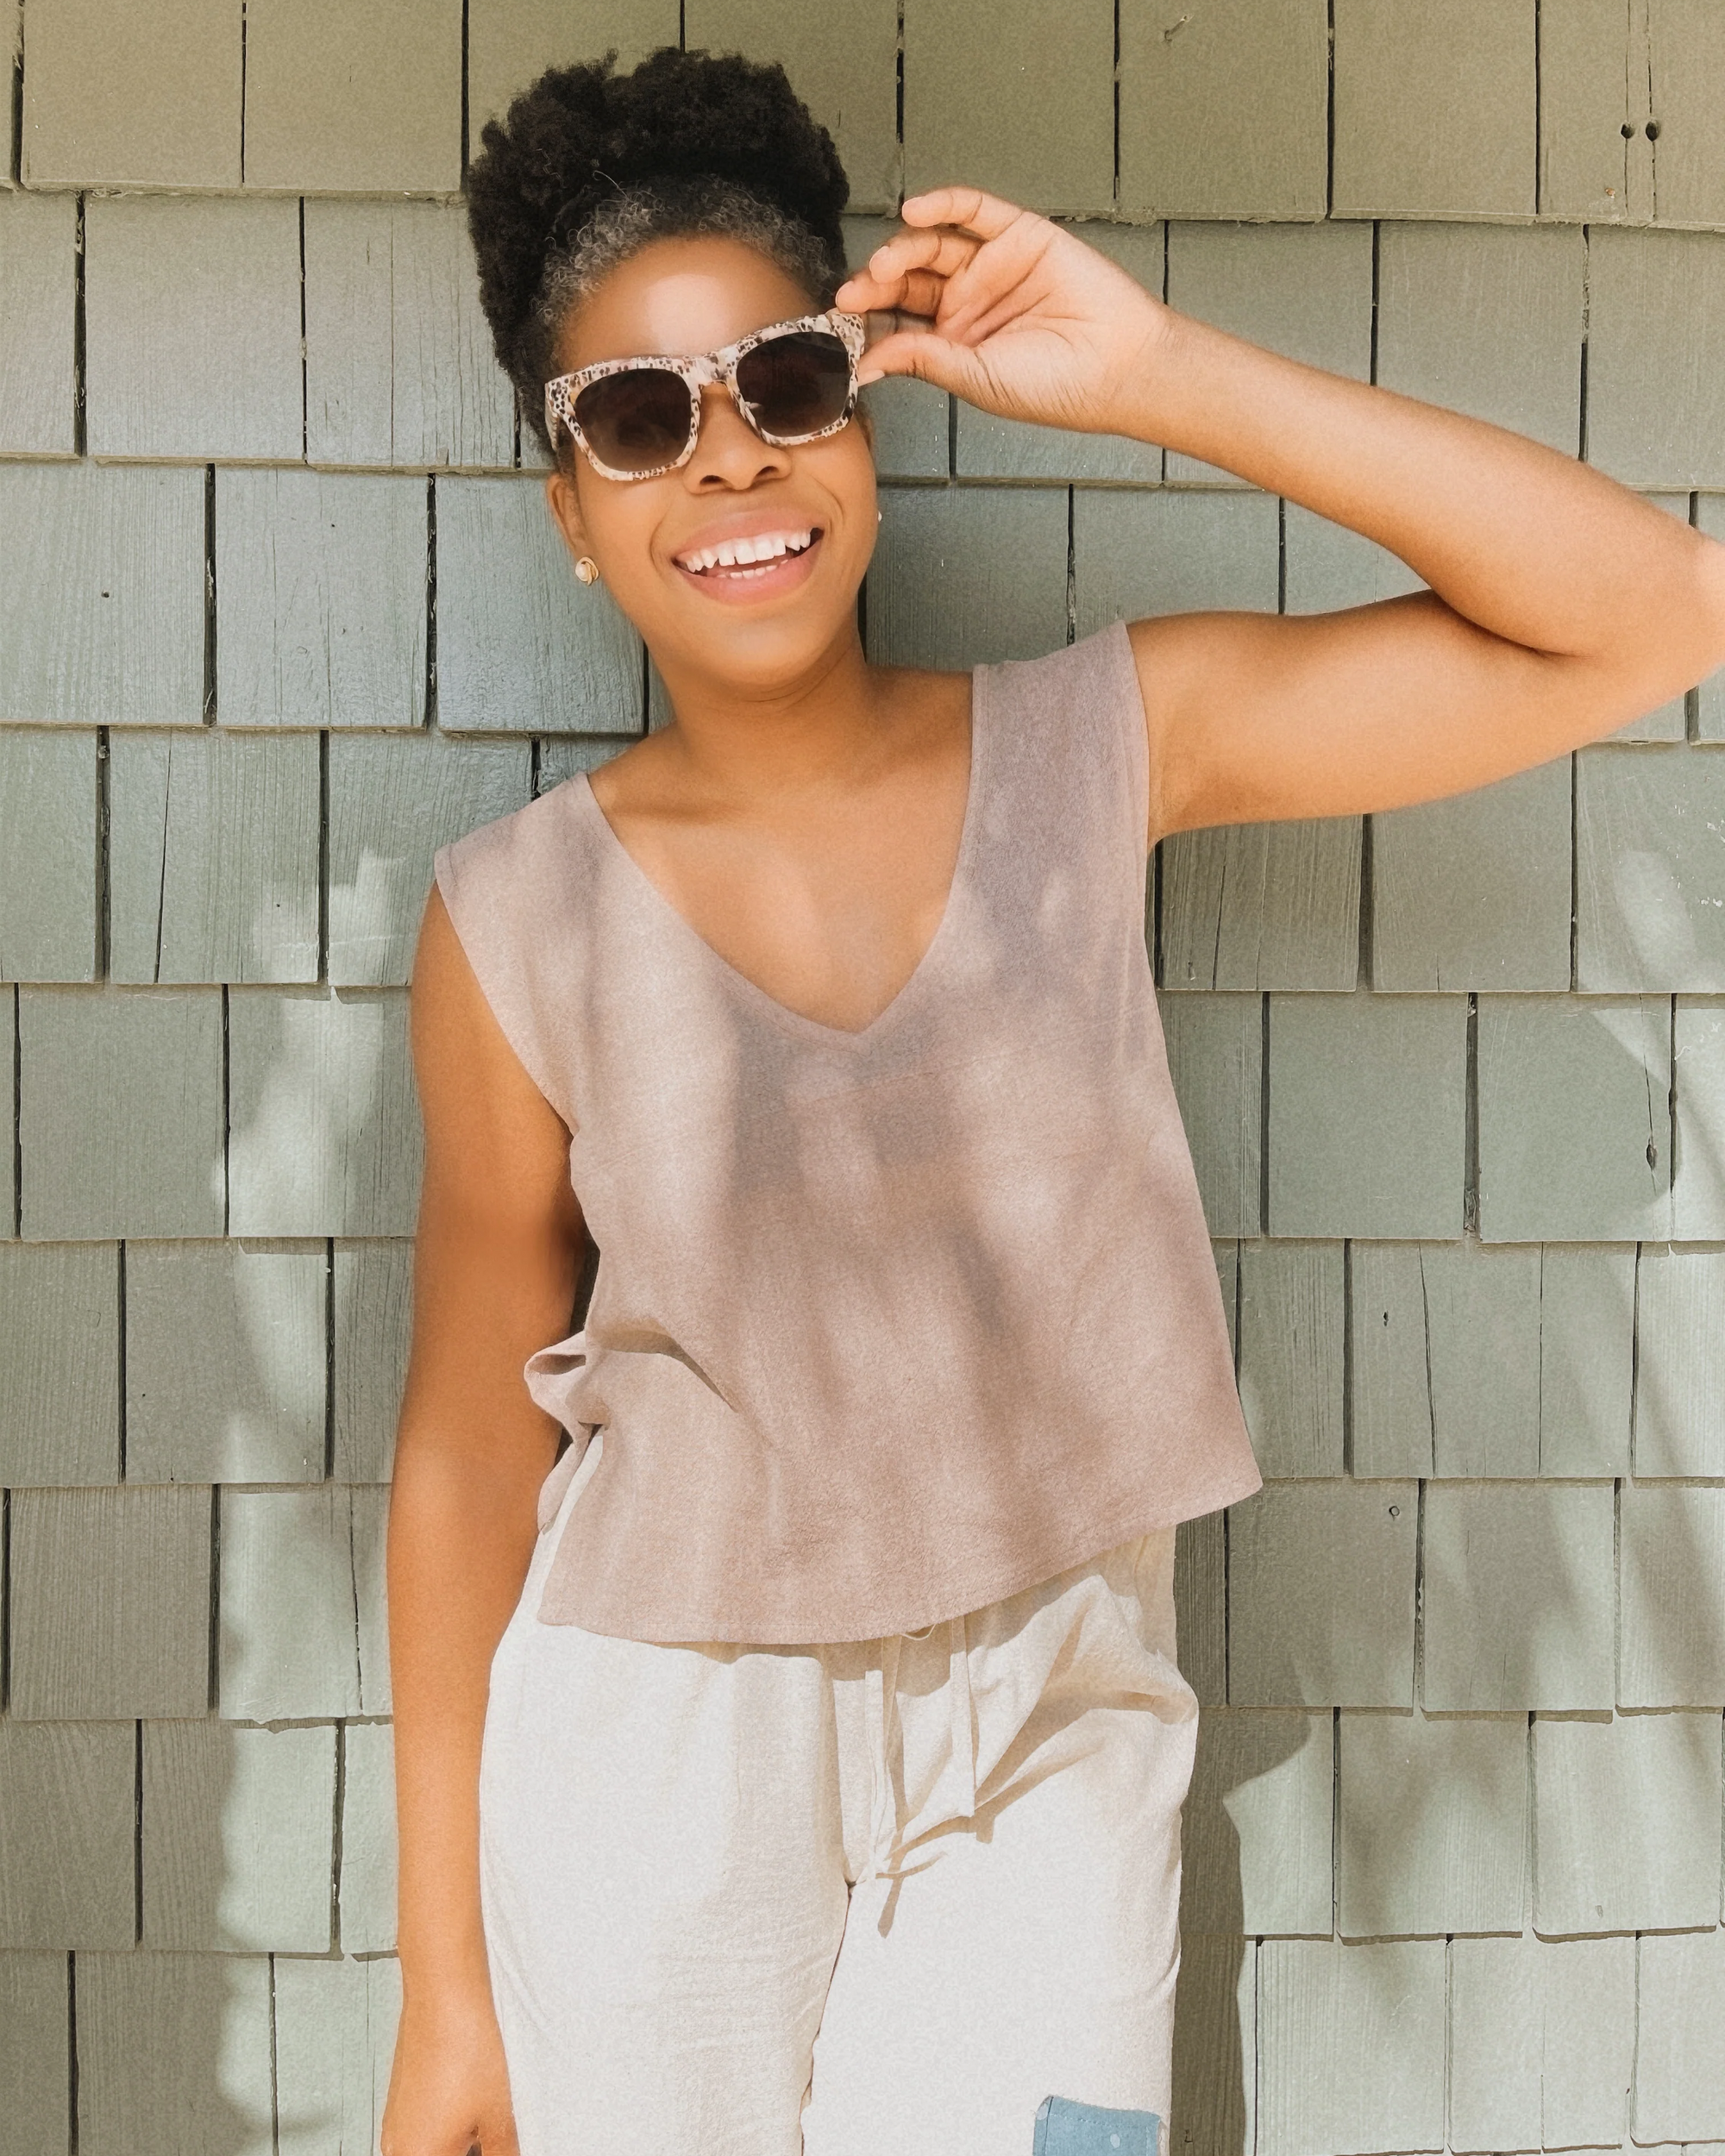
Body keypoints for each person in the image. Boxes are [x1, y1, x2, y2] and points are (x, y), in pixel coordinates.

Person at [380, 45, 1725, 2156]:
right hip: (654, 1757)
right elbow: (467, 1459)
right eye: (638, 419)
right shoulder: (511, 919)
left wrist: (1155, 367)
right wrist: (446, 1998)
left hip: (1049, 1731)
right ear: (569, 510)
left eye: (785, 383)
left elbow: (1654, 617)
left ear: (867, 417)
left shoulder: (1107, 743)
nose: (726, 460)